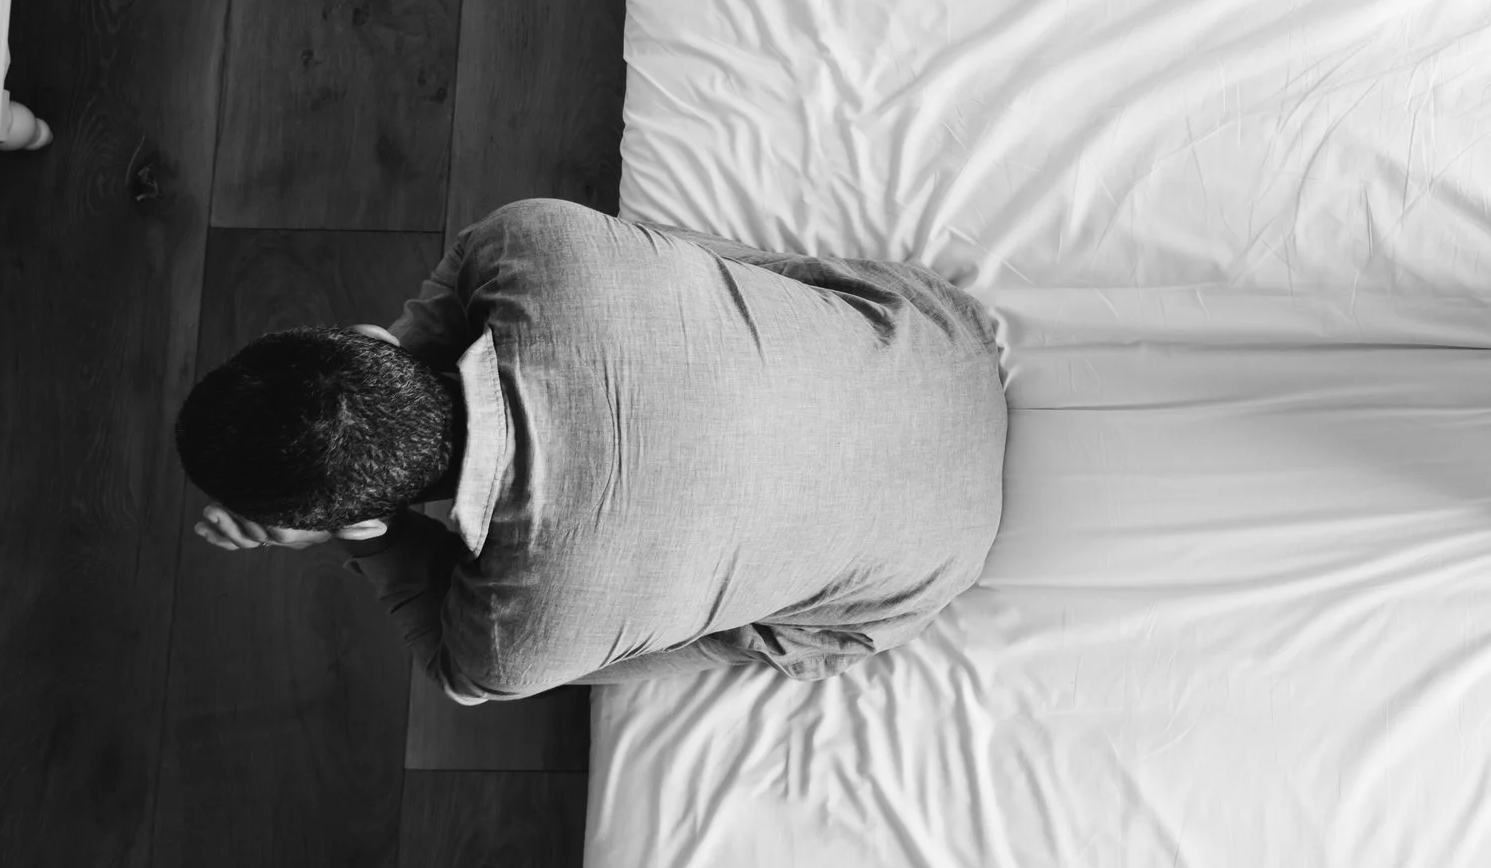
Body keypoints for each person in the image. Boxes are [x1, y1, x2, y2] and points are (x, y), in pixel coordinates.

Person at [176, 199, 1008, 702]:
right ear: (355, 336)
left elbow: (456, 666)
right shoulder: (527, 240)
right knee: (732, 280)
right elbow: (761, 271)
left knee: (730, 629)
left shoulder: (507, 649)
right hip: (945, 340)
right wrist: (384, 361)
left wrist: (369, 533)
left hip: (930, 565)